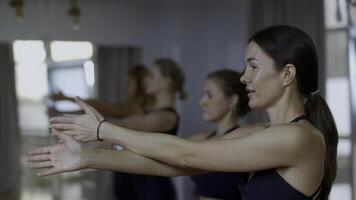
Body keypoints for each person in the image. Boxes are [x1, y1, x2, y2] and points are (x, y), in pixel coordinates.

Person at [28, 25, 339, 200]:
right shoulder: (257, 133)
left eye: (253, 67)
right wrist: (87, 157)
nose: (244, 77)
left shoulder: (302, 139)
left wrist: (103, 129)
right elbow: (175, 164)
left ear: (286, 75)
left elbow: (188, 155)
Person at [49, 64, 153, 118]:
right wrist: (62, 113)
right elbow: (96, 111)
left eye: (129, 83)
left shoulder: (137, 110)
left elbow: (99, 105)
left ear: (141, 86)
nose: (124, 87)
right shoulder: (127, 107)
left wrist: (64, 99)